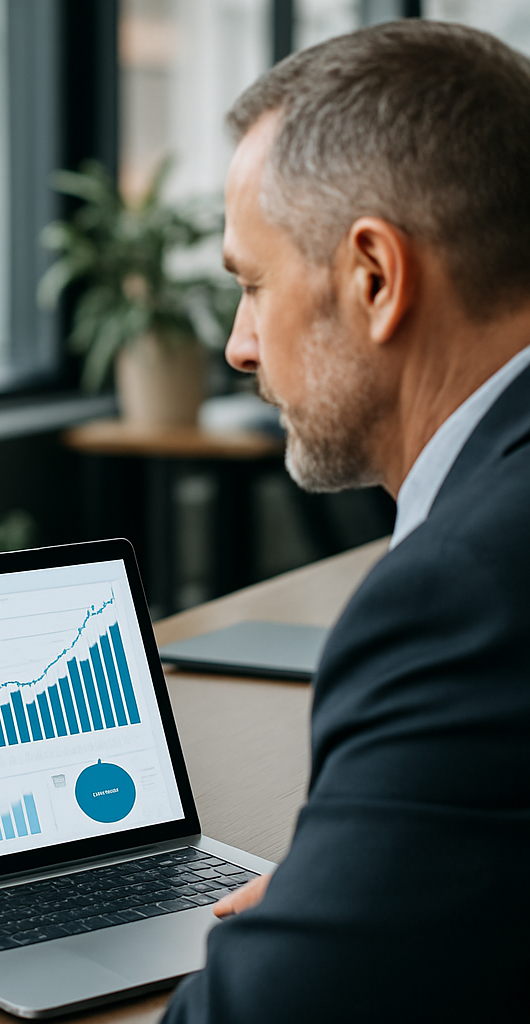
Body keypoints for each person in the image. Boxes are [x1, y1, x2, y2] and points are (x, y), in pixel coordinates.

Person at [162, 20, 530, 1022]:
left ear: (373, 275)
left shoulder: (463, 587)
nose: (239, 347)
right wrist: (372, 882)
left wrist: (328, 932)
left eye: (250, 283)